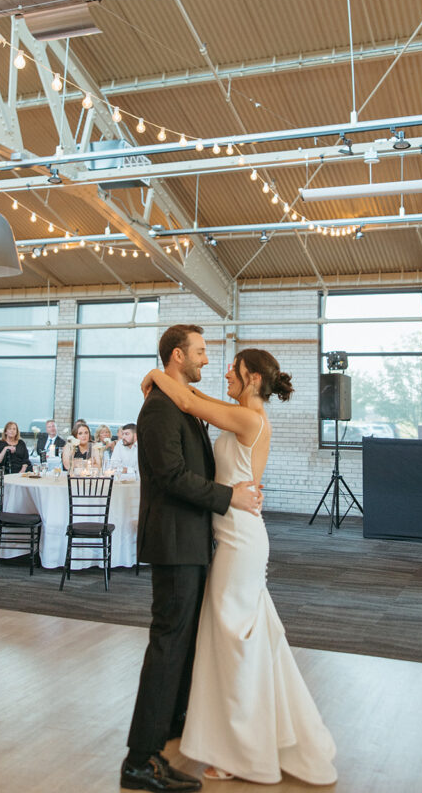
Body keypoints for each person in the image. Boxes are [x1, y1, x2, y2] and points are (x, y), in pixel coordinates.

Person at [140, 347, 337, 786]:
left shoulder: (250, 419)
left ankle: (240, 751)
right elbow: (197, 403)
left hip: (241, 540)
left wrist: (156, 371)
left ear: (251, 379)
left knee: (234, 640)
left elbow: (190, 403)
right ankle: (242, 737)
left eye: (234, 368)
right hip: (230, 535)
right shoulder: (241, 410)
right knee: (240, 637)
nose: (225, 371)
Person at [121, 324, 262, 793]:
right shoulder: (160, 408)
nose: (207, 359)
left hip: (194, 542)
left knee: (183, 643)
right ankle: (140, 760)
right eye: (200, 352)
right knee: (168, 644)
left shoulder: (180, 400)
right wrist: (230, 497)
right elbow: (173, 478)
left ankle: (170, 734)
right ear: (178, 356)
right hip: (175, 543)